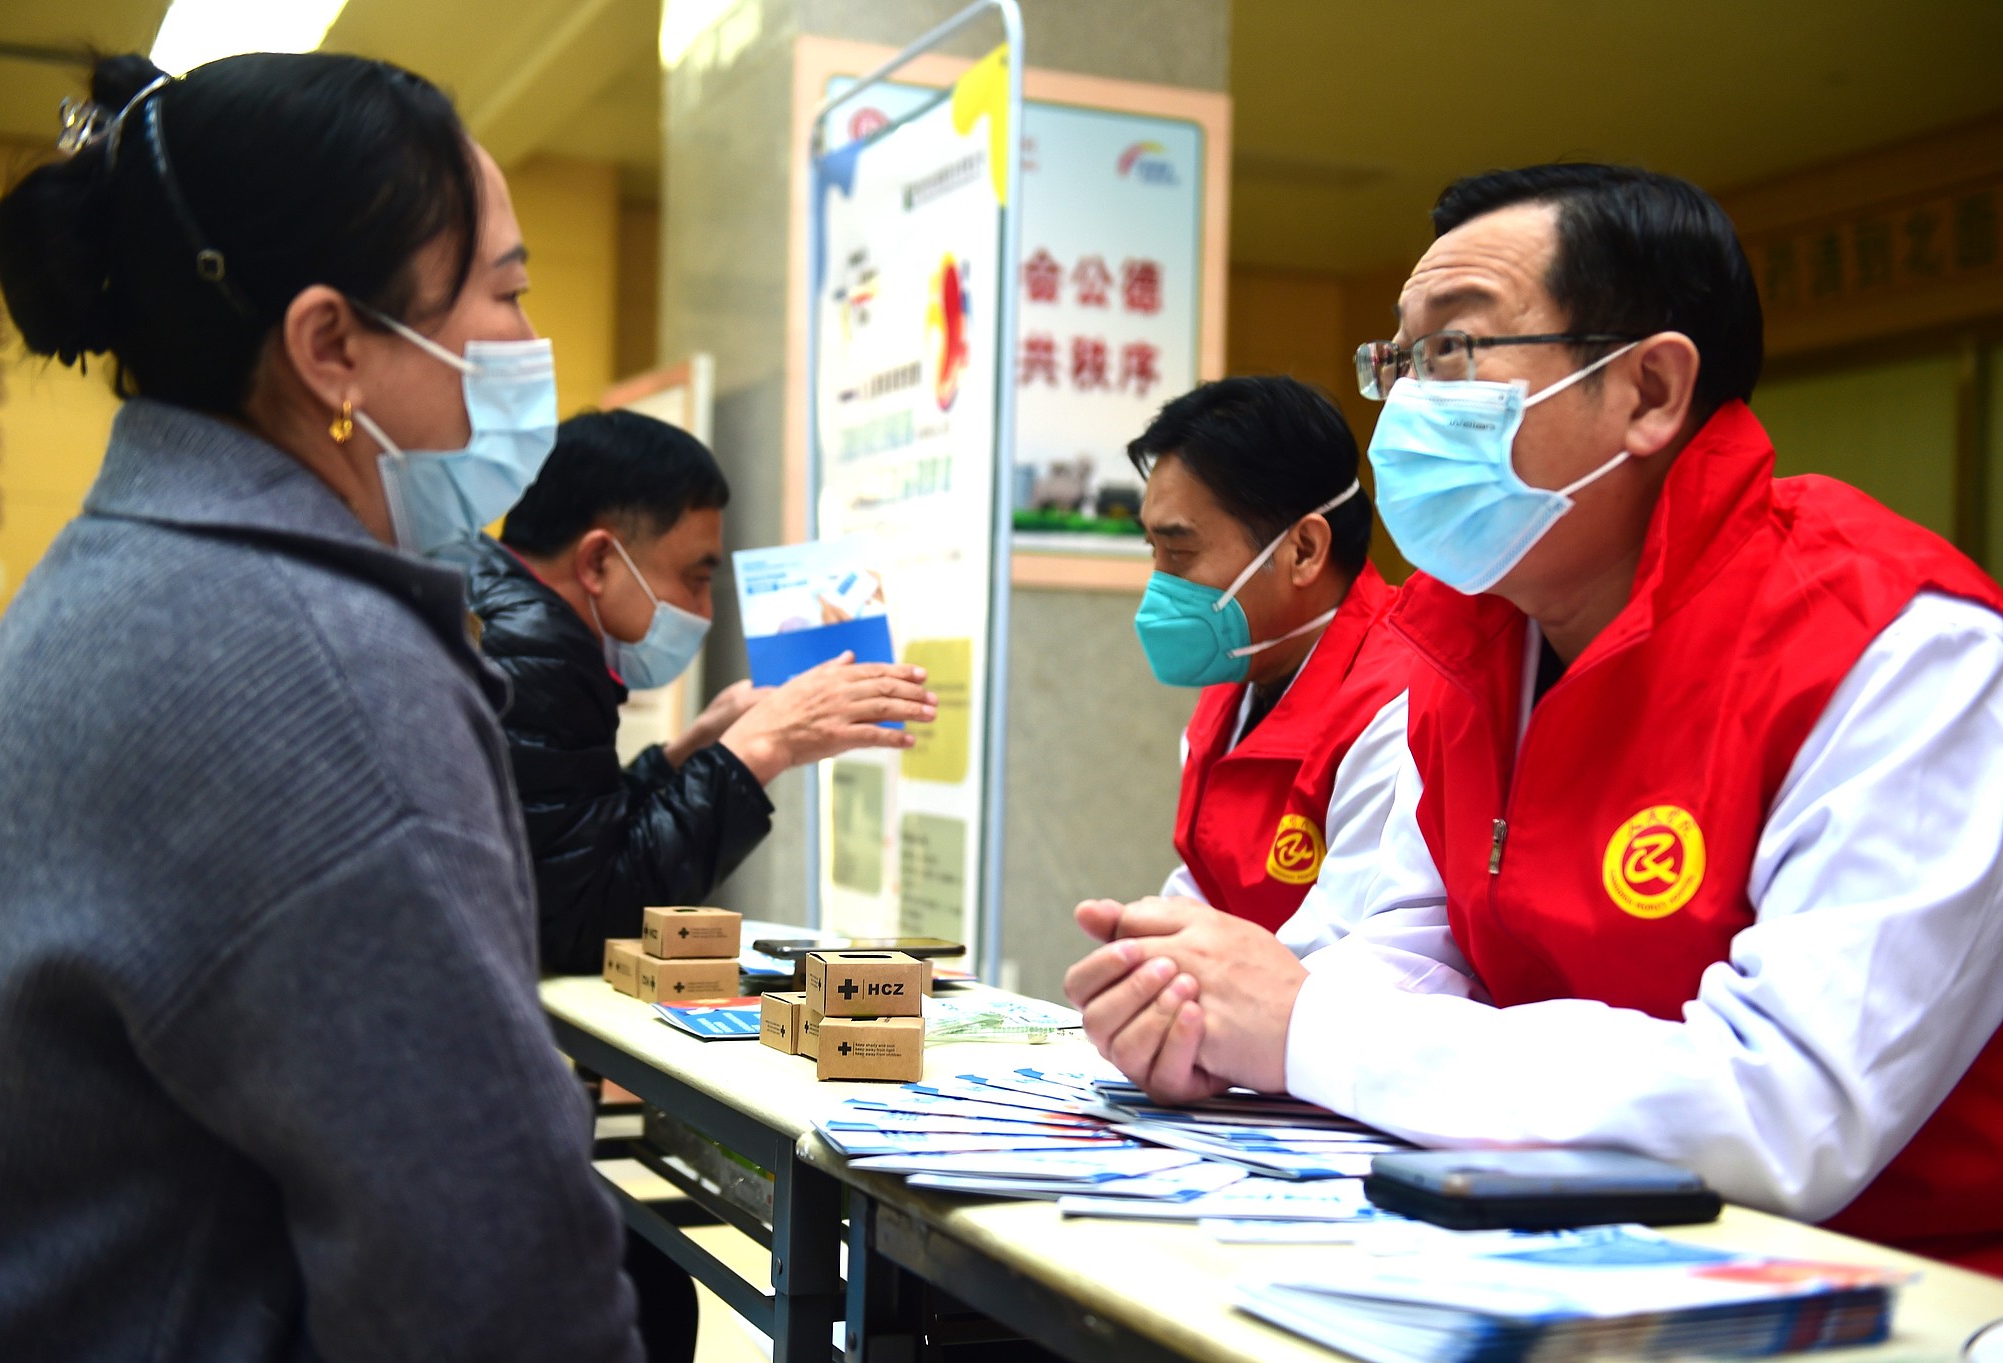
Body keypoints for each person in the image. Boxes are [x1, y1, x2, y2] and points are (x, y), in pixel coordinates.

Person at [1064, 164, 2003, 1270]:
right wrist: (1211, 1024)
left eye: (1454, 351)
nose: (1406, 404)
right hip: (1534, 1261)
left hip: (1871, 1292)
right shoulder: (1469, 647)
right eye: (1398, 361)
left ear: (1648, 391)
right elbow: (1403, 952)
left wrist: (1306, 1029)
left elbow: (1785, 1109)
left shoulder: (1898, 648)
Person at [0, 52, 653, 1360]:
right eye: (503, 292)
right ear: (333, 346)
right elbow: (496, 1284)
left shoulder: (134, 570)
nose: (525, 346)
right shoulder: (320, 671)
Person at [466, 409, 937, 975]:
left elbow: (570, 835)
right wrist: (757, 750)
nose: (705, 612)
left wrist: (692, 748)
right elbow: (584, 923)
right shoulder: (535, 646)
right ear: (597, 561)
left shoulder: (501, 608)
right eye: (695, 577)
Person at [1128, 376, 1412, 938]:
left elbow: (1345, 946)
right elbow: (1206, 885)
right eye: (1152, 551)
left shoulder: (1401, 703)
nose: (1158, 587)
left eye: (1180, 552)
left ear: (1303, 550)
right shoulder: (1236, 680)